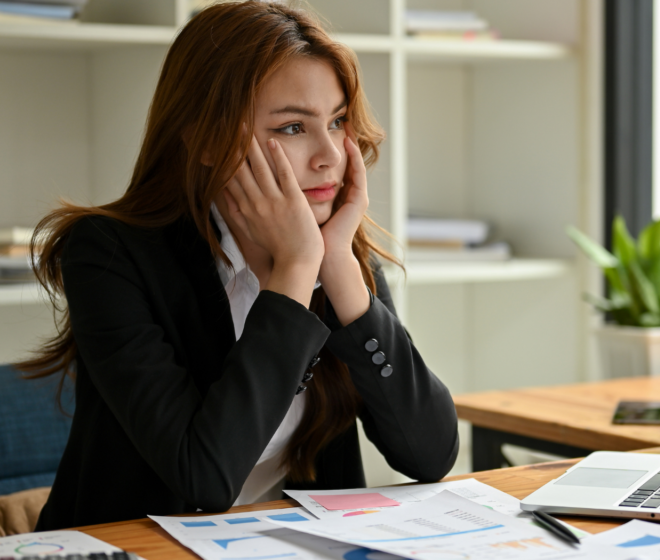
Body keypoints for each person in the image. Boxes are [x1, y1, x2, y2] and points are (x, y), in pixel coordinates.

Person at [18, 1, 459, 531]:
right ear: (208, 139)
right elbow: (204, 480)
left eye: (337, 120)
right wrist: (295, 272)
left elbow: (430, 455)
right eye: (294, 127)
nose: (330, 156)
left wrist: (339, 270)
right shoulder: (111, 255)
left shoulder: (337, 249)